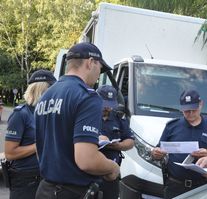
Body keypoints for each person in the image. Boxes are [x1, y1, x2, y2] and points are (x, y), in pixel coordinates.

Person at [34, 42, 120, 199]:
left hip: (45, 189)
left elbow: (42, 149)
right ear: (90, 63)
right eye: (100, 68)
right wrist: (112, 167)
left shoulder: (45, 96)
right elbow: (87, 160)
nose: (99, 74)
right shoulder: (88, 96)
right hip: (73, 192)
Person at [151, 89, 207, 199]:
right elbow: (157, 152)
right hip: (174, 186)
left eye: (193, 110)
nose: (190, 114)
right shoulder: (172, 126)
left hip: (202, 187)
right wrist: (155, 153)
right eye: (186, 111)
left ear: (201, 104)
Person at [4, 69, 56, 199]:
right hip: (26, 179)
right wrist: (38, 145)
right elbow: (10, 153)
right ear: (42, 89)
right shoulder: (21, 114)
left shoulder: (50, 113)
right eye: (52, 88)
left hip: (48, 176)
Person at [96, 85, 135, 199]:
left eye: (110, 105)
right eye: (104, 105)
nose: (107, 108)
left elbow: (130, 140)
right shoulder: (88, 114)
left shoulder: (118, 116)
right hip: (91, 171)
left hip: (112, 173)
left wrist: (119, 146)